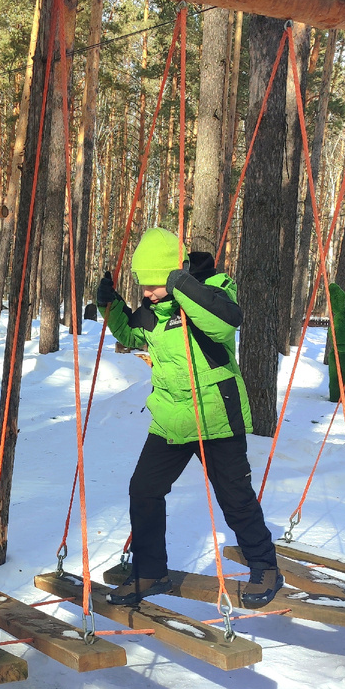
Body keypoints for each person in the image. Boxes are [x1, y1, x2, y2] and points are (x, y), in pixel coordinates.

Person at [96, 227, 283, 609]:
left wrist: (181, 284)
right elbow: (132, 336)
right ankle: (151, 572)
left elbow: (226, 321)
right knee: (144, 490)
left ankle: (265, 567)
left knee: (235, 497)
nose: (146, 293)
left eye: (153, 284)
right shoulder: (153, 312)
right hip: (172, 417)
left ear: (174, 274)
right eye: (142, 285)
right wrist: (109, 305)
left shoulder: (214, 288)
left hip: (215, 414)